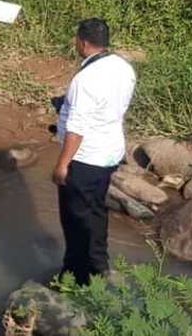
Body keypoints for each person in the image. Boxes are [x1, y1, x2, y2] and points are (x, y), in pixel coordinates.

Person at [52, 19, 135, 287]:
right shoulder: (122, 66)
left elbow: (77, 129)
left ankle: (77, 277)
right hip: (109, 153)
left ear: (83, 42)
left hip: (85, 157)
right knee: (96, 212)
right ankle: (99, 266)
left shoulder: (85, 79)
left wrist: (62, 165)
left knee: (75, 219)